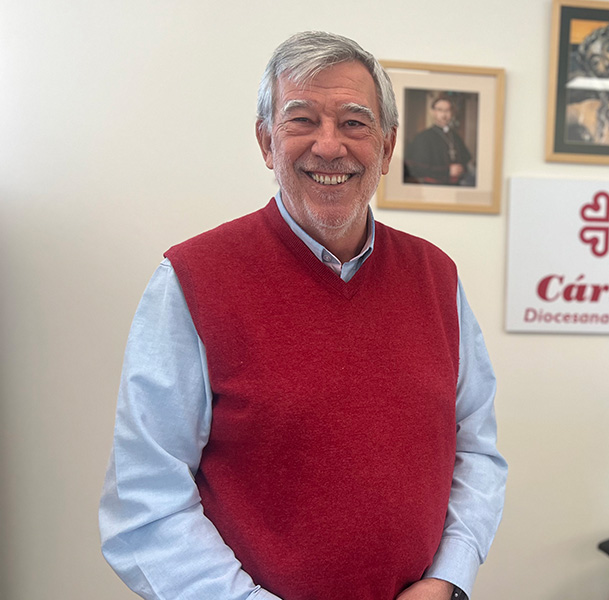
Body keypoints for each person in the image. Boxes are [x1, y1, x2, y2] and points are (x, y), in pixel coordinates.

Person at [98, 31, 506, 600]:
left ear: (387, 149)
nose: (330, 146)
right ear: (267, 142)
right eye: (301, 120)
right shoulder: (191, 279)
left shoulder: (437, 277)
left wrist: (448, 579)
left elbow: (477, 449)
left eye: (355, 123)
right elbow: (145, 503)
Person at [404, 96, 475, 186]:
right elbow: (417, 168)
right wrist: (447, 171)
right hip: (433, 186)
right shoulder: (423, 137)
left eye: (447, 110)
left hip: (456, 185)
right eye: (440, 110)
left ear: (452, 113)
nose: (444, 115)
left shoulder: (455, 136)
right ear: (432, 112)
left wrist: (461, 169)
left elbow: (466, 160)